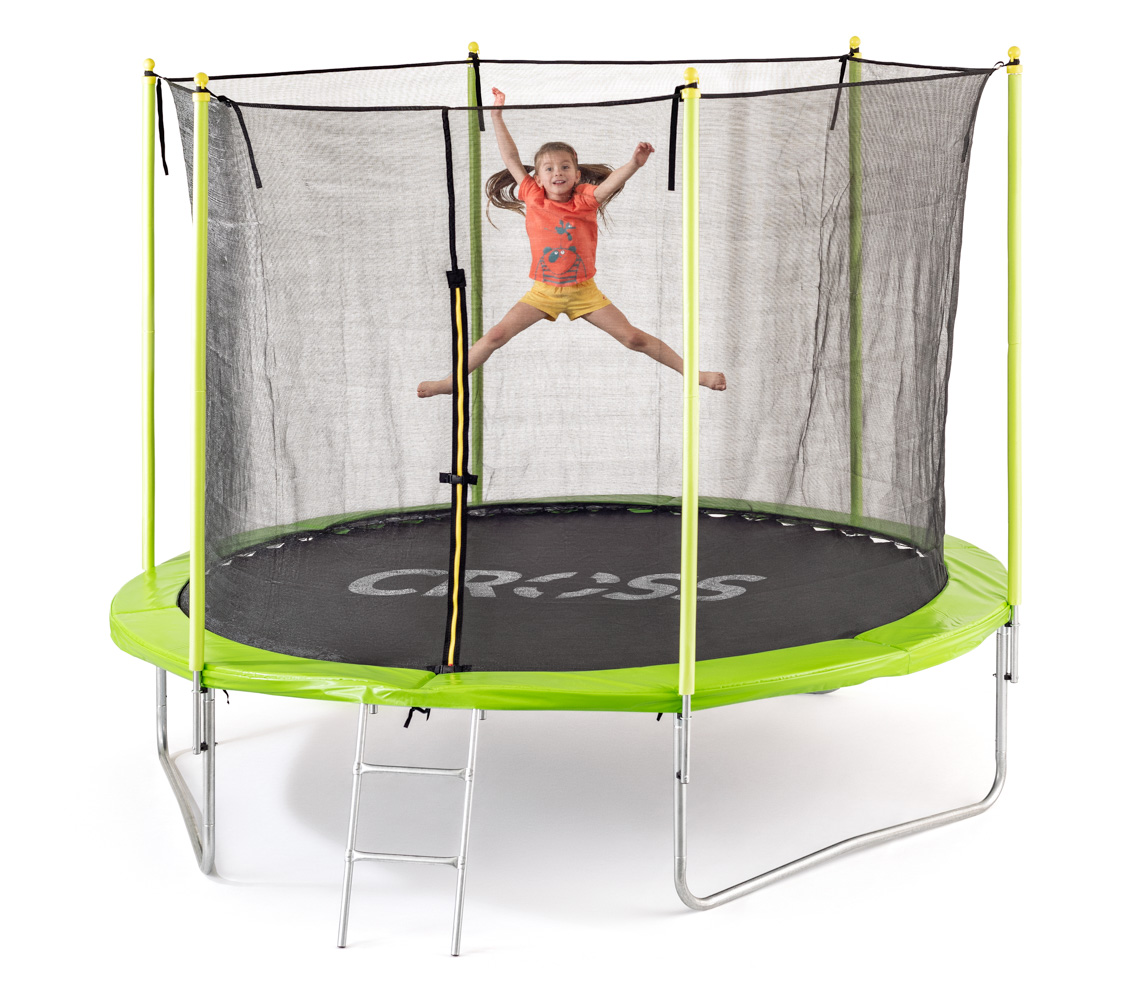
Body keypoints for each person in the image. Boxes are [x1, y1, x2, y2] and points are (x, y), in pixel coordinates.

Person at [417, 87, 726, 397]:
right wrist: (496, 116)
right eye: (549, 168)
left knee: (633, 338)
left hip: (584, 292)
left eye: (565, 167)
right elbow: (511, 158)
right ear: (538, 178)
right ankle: (452, 381)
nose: (558, 172)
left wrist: (634, 164)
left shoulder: (585, 200)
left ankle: (694, 374)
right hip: (543, 292)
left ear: (577, 175)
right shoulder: (533, 195)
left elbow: (609, 185)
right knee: (496, 335)